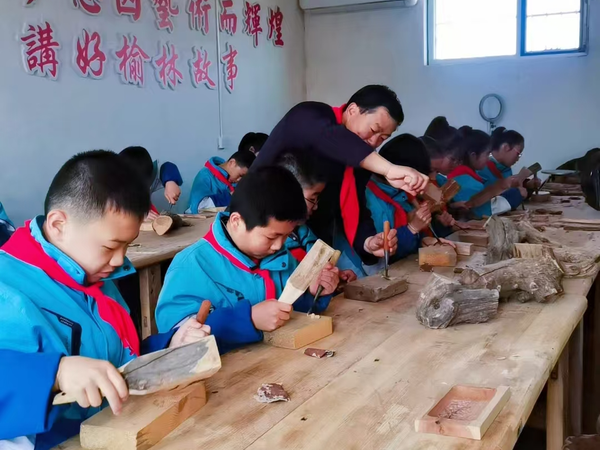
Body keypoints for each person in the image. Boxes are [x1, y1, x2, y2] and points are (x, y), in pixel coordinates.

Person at [0, 151, 210, 450]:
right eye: (110, 247)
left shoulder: (90, 274)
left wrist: (169, 346)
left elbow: (115, 362)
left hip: (118, 432)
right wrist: (56, 373)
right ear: (59, 225)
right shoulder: (8, 290)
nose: (120, 260)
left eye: (127, 246)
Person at [155, 167, 340, 354]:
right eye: (271, 237)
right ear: (236, 221)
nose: (278, 245)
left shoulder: (278, 256)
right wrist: (248, 319)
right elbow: (177, 341)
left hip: (279, 363)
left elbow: (291, 312)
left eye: (285, 236)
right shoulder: (191, 266)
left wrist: (313, 293)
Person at [252, 85, 427, 270]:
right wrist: (389, 169)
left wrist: (368, 242)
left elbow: (356, 206)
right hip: (261, 226)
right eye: (373, 129)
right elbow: (332, 138)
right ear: (352, 110)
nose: (374, 141)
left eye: (383, 137)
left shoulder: (362, 159)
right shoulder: (310, 115)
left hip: (310, 241)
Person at [366, 134, 455, 263]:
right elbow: (379, 253)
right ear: (401, 170)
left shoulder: (400, 193)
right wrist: (412, 228)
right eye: (417, 177)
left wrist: (426, 239)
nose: (432, 179)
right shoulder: (370, 198)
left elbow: (413, 239)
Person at [276, 152, 358, 284]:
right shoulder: (271, 242)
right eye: (312, 199)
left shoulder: (304, 232)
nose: (315, 207)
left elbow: (319, 270)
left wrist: (336, 276)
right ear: (289, 192)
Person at [447, 126, 524, 219]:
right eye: (487, 154)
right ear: (473, 156)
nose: (488, 158)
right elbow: (485, 214)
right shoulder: (470, 183)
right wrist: (515, 195)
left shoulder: (459, 176)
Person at [119, 146, 183, 219]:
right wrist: (137, 214)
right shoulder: (112, 190)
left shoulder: (148, 176)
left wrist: (170, 181)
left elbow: (165, 166)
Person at [187, 150, 255, 213]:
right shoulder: (205, 176)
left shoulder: (234, 181)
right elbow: (200, 207)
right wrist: (230, 197)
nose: (239, 180)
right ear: (232, 163)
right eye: (241, 175)